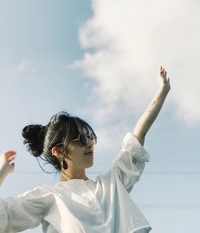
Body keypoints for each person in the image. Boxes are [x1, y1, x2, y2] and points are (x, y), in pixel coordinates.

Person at [0, 66, 170, 233]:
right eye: (80, 139)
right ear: (58, 151)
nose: (89, 144)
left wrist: (162, 91)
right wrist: (2, 171)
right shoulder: (49, 197)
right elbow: (4, 217)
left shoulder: (111, 183)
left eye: (90, 137)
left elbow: (137, 137)